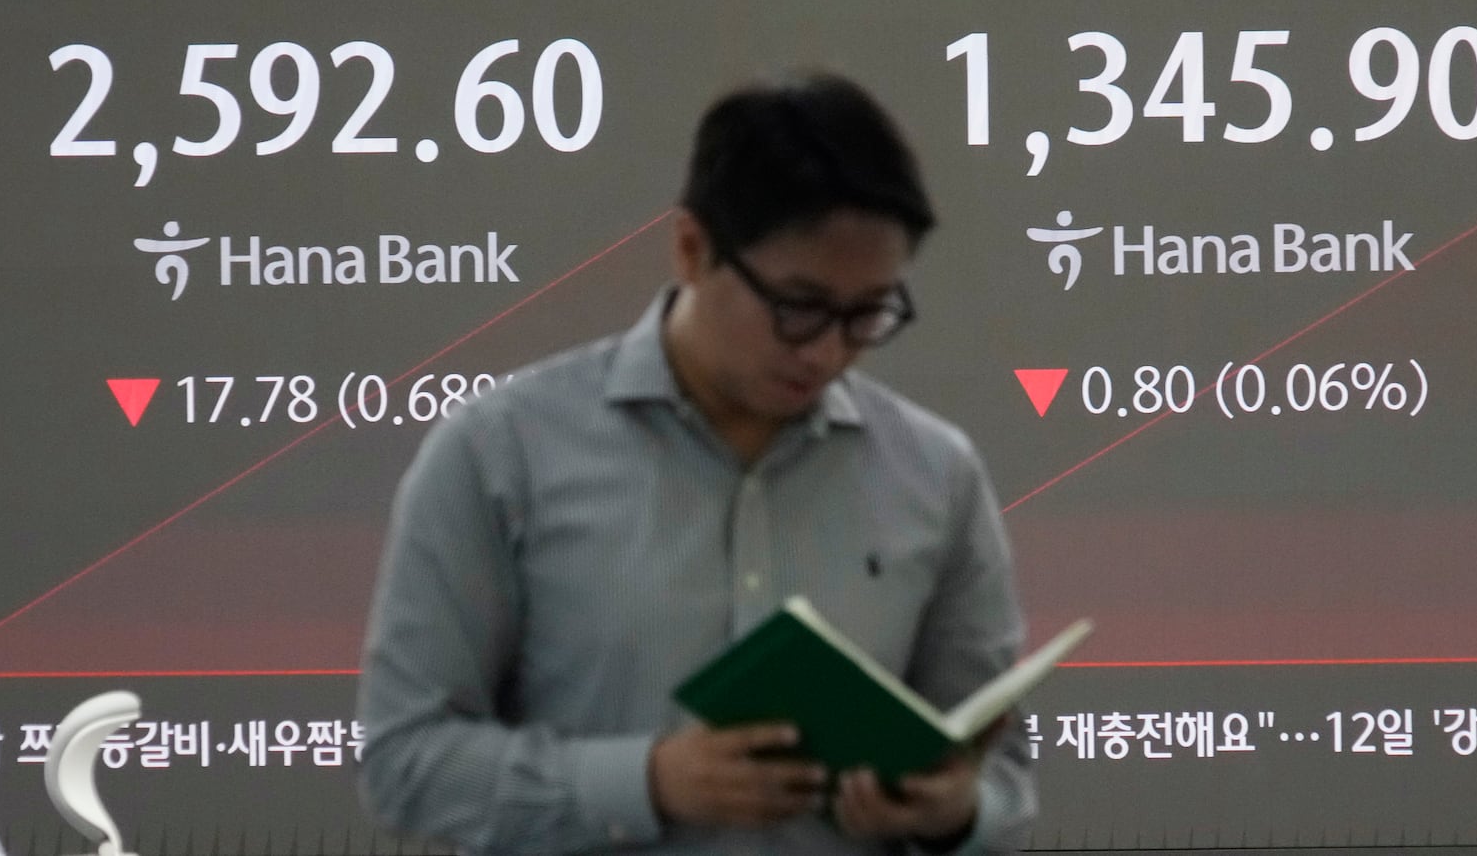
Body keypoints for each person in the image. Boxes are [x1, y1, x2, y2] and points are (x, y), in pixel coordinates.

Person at [357, 73, 1035, 854]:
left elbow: (1002, 777)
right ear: (691, 249)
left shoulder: (935, 474)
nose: (827, 350)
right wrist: (646, 782)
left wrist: (953, 812)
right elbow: (403, 762)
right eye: (798, 306)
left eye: (868, 313)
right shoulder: (503, 452)